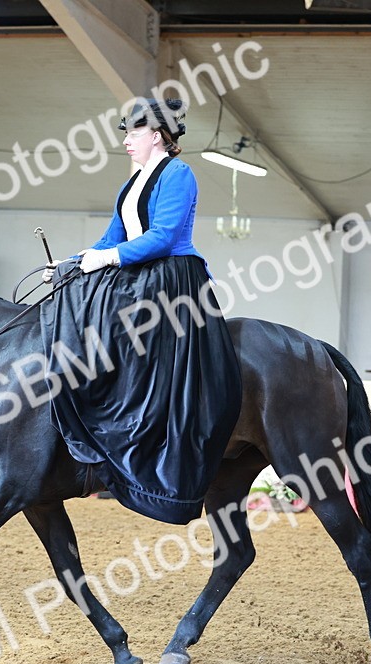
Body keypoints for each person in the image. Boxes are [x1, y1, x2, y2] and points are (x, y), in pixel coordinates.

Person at [39, 97, 242, 525]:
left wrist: (108, 259)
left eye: (132, 134)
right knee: (77, 300)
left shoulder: (178, 173)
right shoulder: (133, 180)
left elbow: (165, 236)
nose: (126, 141)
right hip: (137, 270)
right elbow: (113, 234)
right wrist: (74, 262)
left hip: (170, 275)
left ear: (155, 136)